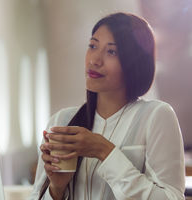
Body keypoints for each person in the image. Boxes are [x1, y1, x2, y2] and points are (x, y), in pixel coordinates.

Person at [28, 12, 185, 200]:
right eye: (92, 46)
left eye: (111, 51)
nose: (94, 60)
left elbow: (171, 198)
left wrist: (104, 151)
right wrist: (57, 188)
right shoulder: (62, 121)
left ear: (134, 61)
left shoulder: (156, 116)